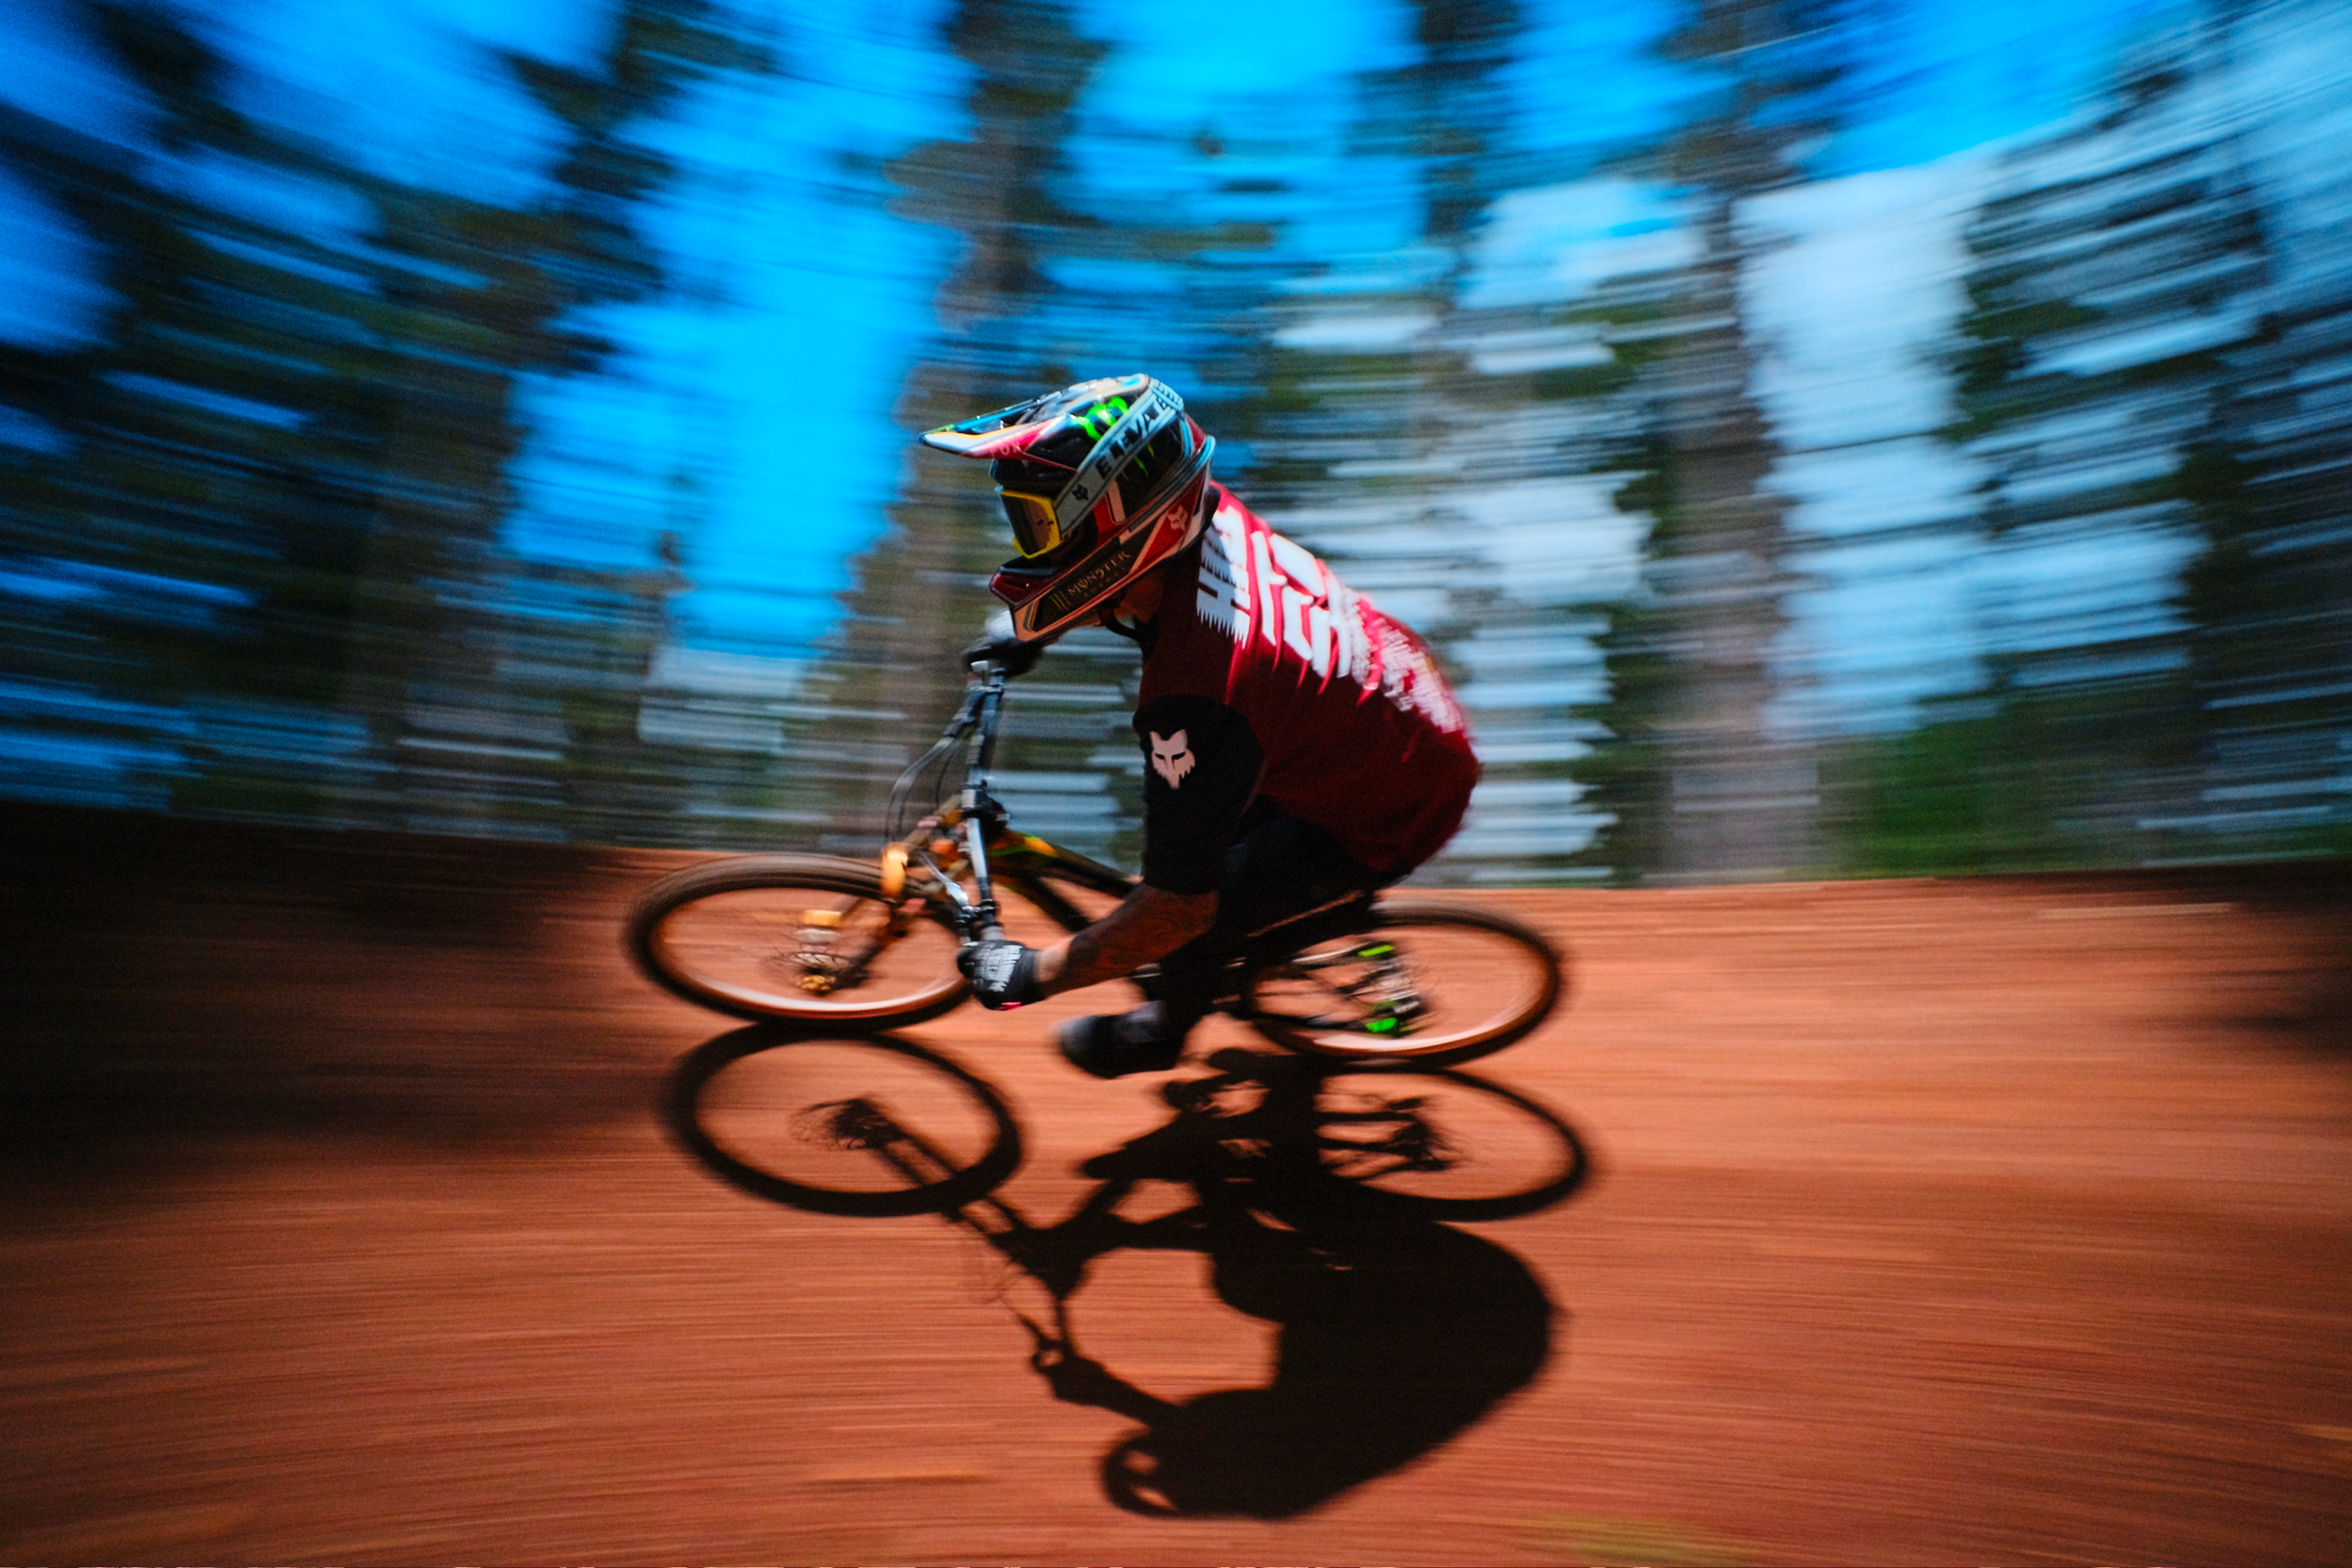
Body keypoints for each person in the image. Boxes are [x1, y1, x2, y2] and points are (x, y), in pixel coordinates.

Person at [922, 373, 1478, 1078]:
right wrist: (1030, 635)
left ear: (1122, 520)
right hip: (1383, 712)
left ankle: (1162, 1034)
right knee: (1195, 845)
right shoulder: (1201, 509)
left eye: (1037, 526)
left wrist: (1032, 974)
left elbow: (1176, 911)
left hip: (1395, 799)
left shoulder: (1197, 698)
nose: (1025, 544)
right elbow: (1122, 572)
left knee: (1199, 919)